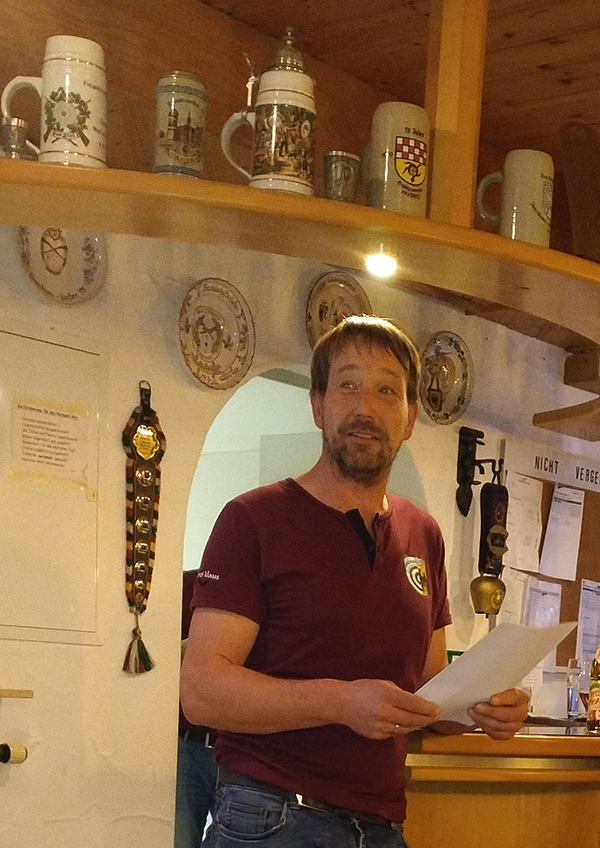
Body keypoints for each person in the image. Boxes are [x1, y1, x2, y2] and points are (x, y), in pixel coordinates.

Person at [180, 315, 528, 848]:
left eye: (387, 390)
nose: (365, 407)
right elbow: (202, 692)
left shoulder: (424, 533)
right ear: (317, 406)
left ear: (410, 418)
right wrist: (340, 703)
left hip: (381, 826)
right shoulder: (252, 519)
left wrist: (483, 707)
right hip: (270, 816)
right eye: (347, 385)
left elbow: (430, 697)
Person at [174, 569, 218, 848]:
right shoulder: (182, 586)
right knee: (174, 839)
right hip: (185, 744)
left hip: (243, 750)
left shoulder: (269, 590)